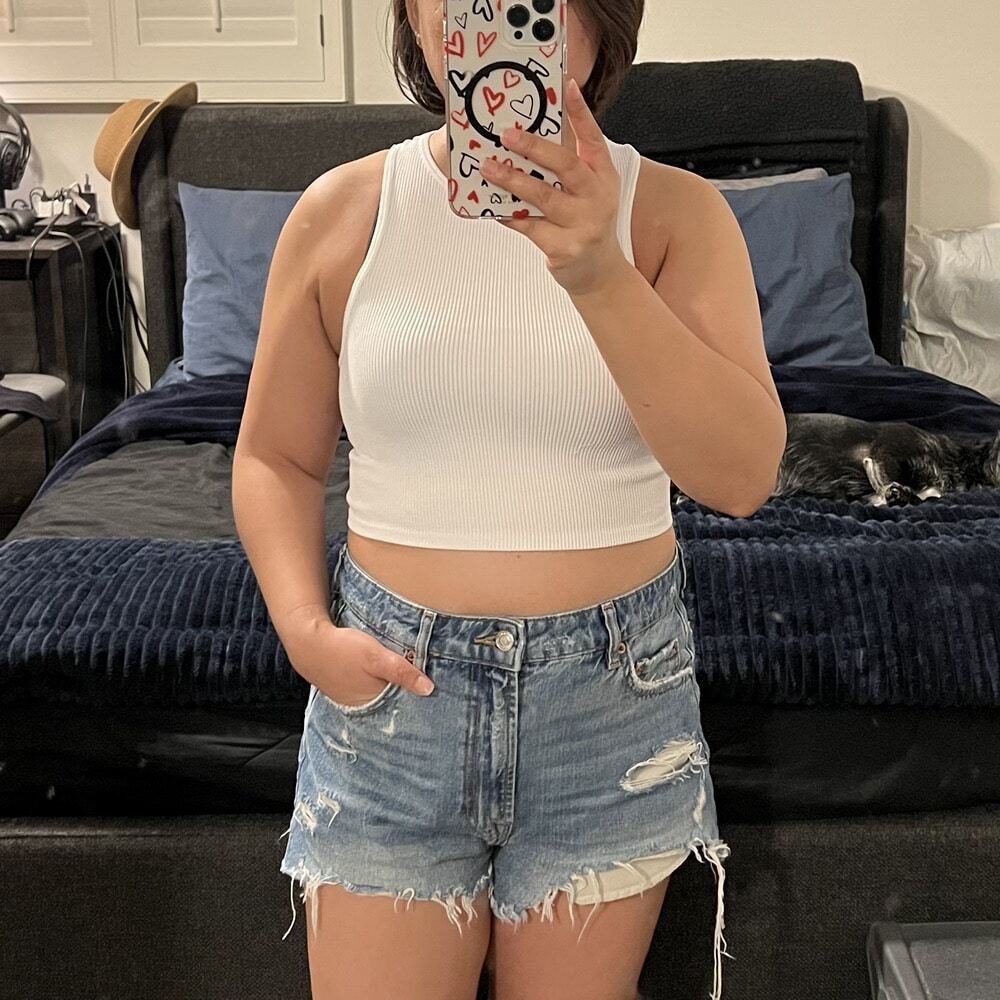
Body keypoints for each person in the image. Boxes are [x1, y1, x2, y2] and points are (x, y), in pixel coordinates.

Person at [232, 1, 786, 998]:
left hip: (610, 706)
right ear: (413, 16)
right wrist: (304, 630)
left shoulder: (677, 217)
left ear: (599, 20)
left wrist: (597, 271)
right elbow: (275, 456)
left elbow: (742, 475)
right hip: (391, 701)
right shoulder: (341, 213)